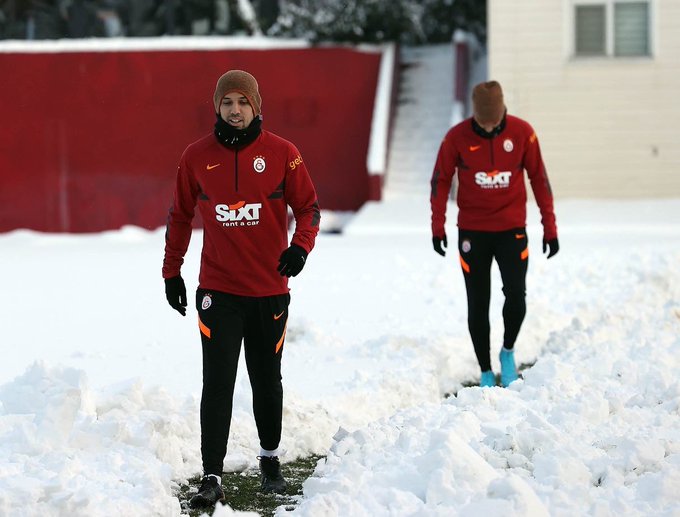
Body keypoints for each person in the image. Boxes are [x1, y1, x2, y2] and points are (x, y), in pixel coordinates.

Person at [162, 69, 320, 509]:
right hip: (218, 291)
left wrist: (300, 247)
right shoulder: (195, 156)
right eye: (227, 102)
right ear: (217, 106)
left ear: (256, 107)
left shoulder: (283, 154)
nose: (235, 110)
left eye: (243, 102)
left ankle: (270, 461)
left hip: (269, 289)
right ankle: (211, 474)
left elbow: (308, 208)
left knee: (267, 381)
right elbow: (179, 215)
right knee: (218, 382)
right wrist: (171, 271)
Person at [429, 80, 558, 388]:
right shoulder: (455, 137)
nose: (488, 128)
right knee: (478, 302)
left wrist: (549, 227)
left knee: (516, 295)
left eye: (494, 122)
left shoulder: (523, 133)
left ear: (503, 113)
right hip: (473, 232)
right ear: (475, 116)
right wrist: (438, 226)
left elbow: (539, 178)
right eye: (482, 124)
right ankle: (486, 371)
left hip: (511, 230)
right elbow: (440, 181)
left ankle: (508, 351)